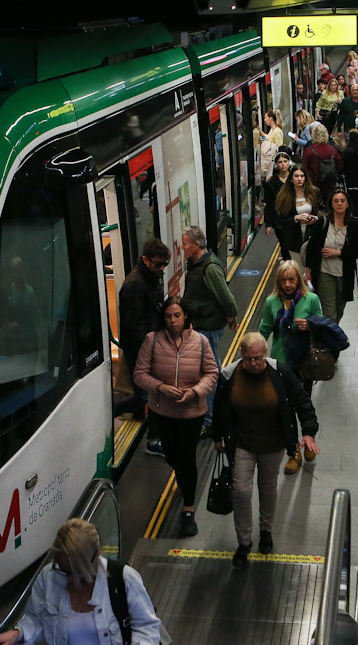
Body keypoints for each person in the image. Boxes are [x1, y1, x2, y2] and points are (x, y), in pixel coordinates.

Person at [211, 333, 320, 568]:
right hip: (241, 443)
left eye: (258, 358)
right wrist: (217, 436)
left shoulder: (280, 373)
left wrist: (309, 431)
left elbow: (302, 402)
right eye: (249, 359)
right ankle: (244, 542)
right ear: (241, 355)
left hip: (273, 444)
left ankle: (266, 530)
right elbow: (220, 408)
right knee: (241, 491)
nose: (253, 363)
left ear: (265, 354)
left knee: (267, 488)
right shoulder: (229, 375)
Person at [0, 518, 162, 645]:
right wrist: (17, 633)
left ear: (96, 556)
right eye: (63, 570)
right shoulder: (48, 578)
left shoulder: (124, 579)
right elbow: (37, 620)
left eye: (77, 571)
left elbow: (147, 626)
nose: (70, 579)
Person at [134, 296, 218, 536]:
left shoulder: (201, 342)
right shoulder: (152, 341)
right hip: (163, 412)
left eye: (177, 315)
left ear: (186, 316)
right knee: (172, 455)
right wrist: (160, 387)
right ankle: (182, 476)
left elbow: (212, 373)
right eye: (168, 316)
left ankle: (188, 509)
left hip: (192, 413)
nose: (173, 321)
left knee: (187, 458)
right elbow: (139, 374)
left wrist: (194, 392)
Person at [259, 260, 322, 477]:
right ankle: (294, 452)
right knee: (286, 409)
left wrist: (310, 325)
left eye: (291, 279)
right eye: (283, 280)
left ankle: (308, 439)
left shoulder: (311, 300)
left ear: (298, 280)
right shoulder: (271, 302)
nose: (287, 284)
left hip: (304, 363)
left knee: (303, 404)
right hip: (281, 363)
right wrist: (253, 350)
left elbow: (322, 327)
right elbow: (265, 328)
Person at [181, 226, 238, 431]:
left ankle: (211, 419)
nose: (182, 247)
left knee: (210, 373)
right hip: (201, 325)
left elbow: (226, 298)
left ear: (196, 245)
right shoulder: (196, 263)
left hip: (208, 327)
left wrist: (231, 317)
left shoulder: (210, 268)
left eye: (185, 244)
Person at [118, 239, 171, 456]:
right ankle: (152, 439)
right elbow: (134, 326)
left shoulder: (148, 278)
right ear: (146, 260)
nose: (162, 269)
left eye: (165, 265)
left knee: (147, 394)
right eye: (159, 264)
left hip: (149, 345)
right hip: (140, 350)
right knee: (149, 395)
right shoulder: (136, 285)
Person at [305, 189, 358, 324]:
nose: (339, 204)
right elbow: (312, 249)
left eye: (342, 201)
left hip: (345, 275)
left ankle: (330, 332)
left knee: (339, 310)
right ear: (331, 204)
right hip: (325, 273)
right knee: (330, 312)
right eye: (336, 201)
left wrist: (338, 252)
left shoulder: (353, 225)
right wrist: (308, 272)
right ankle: (329, 335)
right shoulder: (323, 223)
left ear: (347, 204)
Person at [270, 164, 320, 267]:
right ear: (291, 178)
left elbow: (321, 212)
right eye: (296, 176)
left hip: (311, 236)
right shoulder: (284, 196)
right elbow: (279, 220)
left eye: (302, 176)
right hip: (293, 238)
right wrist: (295, 218)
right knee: (298, 268)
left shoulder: (314, 192)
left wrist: (316, 219)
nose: (299, 179)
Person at [302, 123, 344, 202]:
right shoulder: (332, 149)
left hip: (314, 185)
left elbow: (303, 167)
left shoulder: (309, 151)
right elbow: (340, 165)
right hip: (330, 183)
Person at [262, 152, 294, 255]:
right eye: (280, 162)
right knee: (284, 245)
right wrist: (268, 224)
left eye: (285, 161)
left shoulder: (295, 178)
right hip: (279, 219)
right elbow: (269, 203)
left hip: (294, 217)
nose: (283, 164)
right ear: (276, 165)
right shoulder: (271, 183)